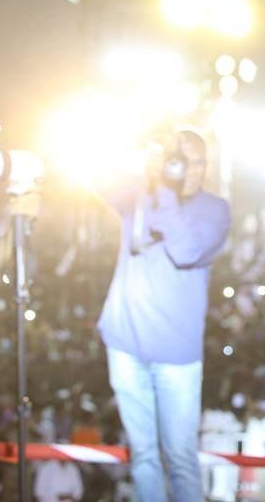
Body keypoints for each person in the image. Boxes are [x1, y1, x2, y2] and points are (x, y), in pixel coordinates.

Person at [97, 129, 231, 502]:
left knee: (181, 459)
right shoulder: (140, 194)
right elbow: (99, 176)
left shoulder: (216, 210)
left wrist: (167, 192)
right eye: (181, 159)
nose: (188, 168)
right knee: (142, 457)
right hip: (125, 344)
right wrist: (144, 159)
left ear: (207, 166)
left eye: (197, 160)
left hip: (178, 357)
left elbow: (187, 250)